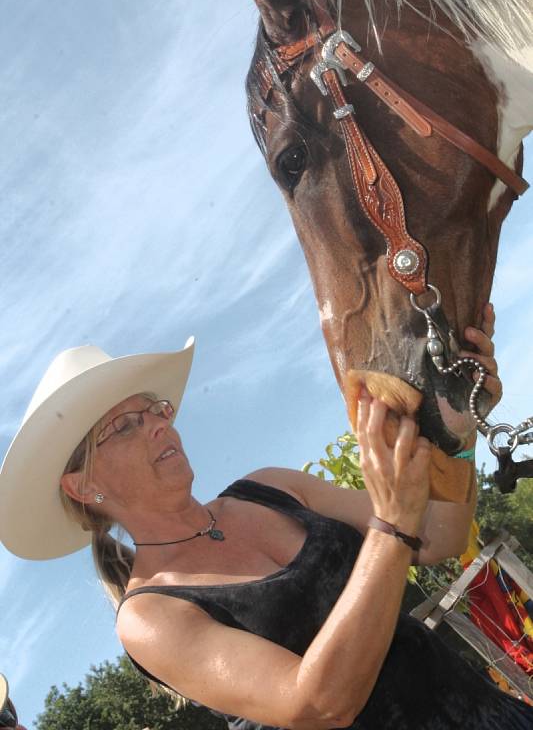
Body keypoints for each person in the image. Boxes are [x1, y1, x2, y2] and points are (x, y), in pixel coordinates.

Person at [1, 307, 531, 730]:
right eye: (123, 427)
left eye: (155, 410)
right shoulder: (149, 616)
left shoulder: (273, 487)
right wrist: (390, 526)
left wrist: (457, 430)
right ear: (83, 487)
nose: (160, 427)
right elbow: (319, 704)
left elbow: (440, 534)